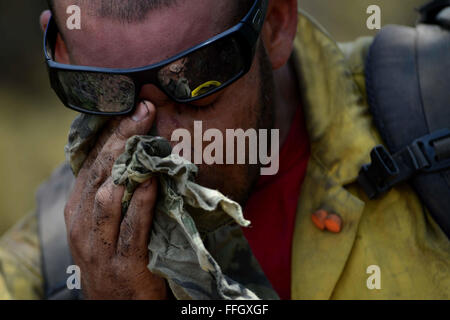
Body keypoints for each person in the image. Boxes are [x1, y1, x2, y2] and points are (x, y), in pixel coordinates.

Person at [0, 0, 448, 300]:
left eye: (196, 87)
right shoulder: (42, 270)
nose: (165, 146)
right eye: (108, 93)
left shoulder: (434, 114)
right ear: (62, 48)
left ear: (273, 22)